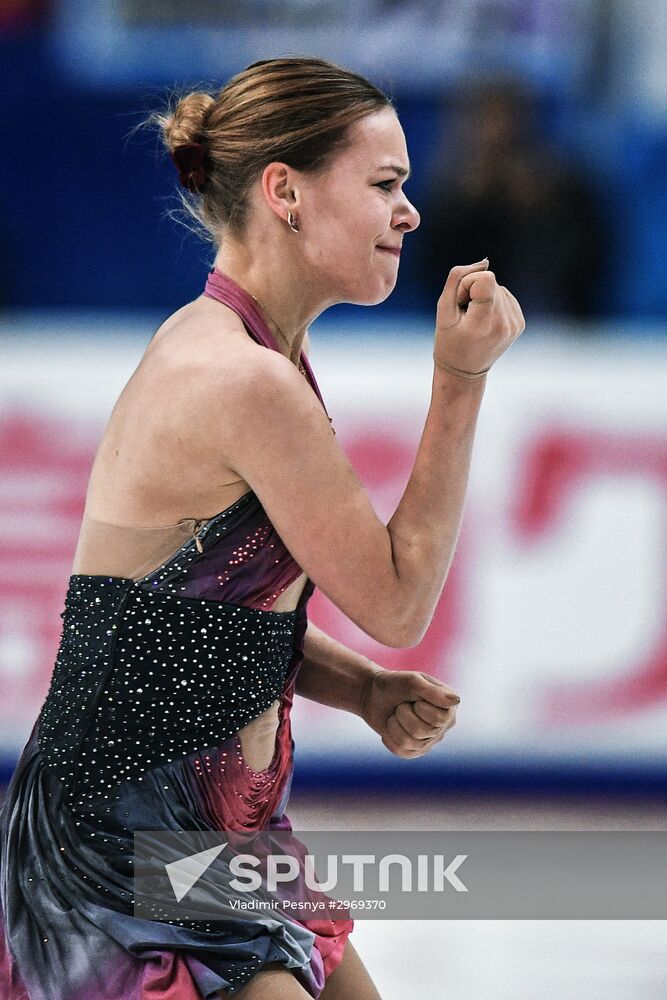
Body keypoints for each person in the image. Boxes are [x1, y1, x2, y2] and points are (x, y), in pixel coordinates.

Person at [0, 57, 524, 1000]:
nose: (408, 212)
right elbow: (399, 599)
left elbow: (194, 620)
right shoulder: (240, 380)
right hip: (123, 853)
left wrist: (357, 685)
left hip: (216, 842)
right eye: (384, 185)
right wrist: (459, 381)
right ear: (284, 192)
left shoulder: (252, 353)